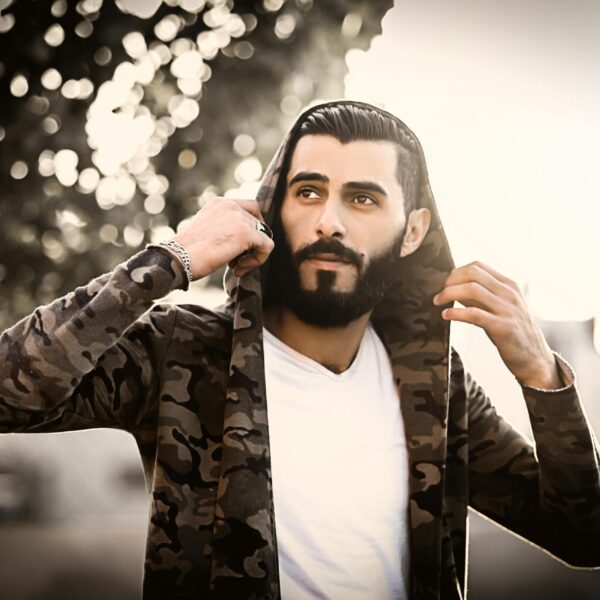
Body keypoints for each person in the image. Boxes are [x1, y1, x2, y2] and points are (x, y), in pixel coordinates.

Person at [0, 100, 598, 600]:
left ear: (412, 231)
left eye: (362, 199)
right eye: (308, 192)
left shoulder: (438, 386)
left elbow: (583, 536)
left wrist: (542, 376)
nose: (328, 222)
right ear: (273, 210)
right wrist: (169, 261)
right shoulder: (183, 352)